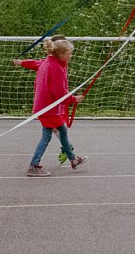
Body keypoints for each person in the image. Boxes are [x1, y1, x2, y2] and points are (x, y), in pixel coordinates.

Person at [13, 37, 85, 177]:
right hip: (48, 108)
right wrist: (74, 99)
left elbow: (35, 63)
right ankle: (34, 165)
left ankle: (73, 159)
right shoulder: (56, 67)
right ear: (62, 55)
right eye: (69, 54)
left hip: (45, 106)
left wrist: (21, 62)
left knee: (62, 131)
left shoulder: (48, 61)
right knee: (46, 136)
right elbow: (59, 93)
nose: (71, 56)